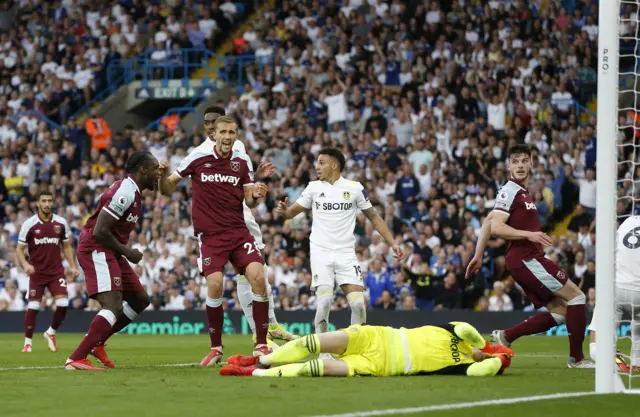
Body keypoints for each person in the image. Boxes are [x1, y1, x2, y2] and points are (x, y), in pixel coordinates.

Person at [158, 116, 273, 366]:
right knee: (215, 285)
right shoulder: (197, 157)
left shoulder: (242, 162)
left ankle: (262, 345)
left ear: (236, 135)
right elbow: (166, 189)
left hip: (238, 231)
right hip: (211, 236)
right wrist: (162, 175)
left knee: (258, 278)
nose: (228, 136)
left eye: (232, 132)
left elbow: (249, 200)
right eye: (223, 132)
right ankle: (216, 348)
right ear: (215, 134)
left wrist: (257, 193)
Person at [466, 144, 593, 368]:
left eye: (525, 160)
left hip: (525, 259)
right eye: (515, 161)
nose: (521, 165)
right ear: (508, 166)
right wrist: (529, 234)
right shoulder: (510, 190)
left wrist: (477, 255)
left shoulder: (522, 193)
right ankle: (577, 359)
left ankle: (506, 336)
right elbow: (496, 226)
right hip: (526, 258)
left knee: (562, 312)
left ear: (532, 163)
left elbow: (488, 221)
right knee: (577, 297)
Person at [276, 148, 404, 357]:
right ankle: (323, 353)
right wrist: (284, 211)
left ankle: (357, 350)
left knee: (358, 305)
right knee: (324, 301)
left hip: (345, 253)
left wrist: (393, 243)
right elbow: (292, 212)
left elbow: (374, 217)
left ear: (334, 165)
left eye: (321, 162)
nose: (317, 166)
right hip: (320, 252)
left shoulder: (354, 188)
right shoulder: (313, 188)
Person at [193, 106, 298, 344]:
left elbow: (245, 181)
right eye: (207, 123)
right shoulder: (200, 153)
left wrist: (258, 177)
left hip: (242, 214)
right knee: (239, 274)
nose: (210, 127)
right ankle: (257, 332)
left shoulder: (237, 145)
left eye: (215, 122)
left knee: (257, 269)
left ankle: (271, 325)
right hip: (221, 222)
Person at [65, 151, 159, 371]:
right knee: (113, 305)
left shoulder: (134, 190)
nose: (157, 175)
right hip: (97, 248)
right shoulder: (124, 192)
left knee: (139, 299)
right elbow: (99, 231)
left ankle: (98, 342)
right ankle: (76, 358)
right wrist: (127, 252)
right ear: (143, 170)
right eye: (154, 170)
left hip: (110, 250)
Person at [219, 322, 514, 378]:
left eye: (489, 355)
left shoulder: (464, 367)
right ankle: (265, 358)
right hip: (374, 336)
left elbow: (482, 370)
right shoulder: (458, 332)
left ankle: (253, 372)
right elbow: (466, 329)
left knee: (318, 368)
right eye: (489, 352)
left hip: (380, 366)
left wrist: (497, 361)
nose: (484, 356)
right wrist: (488, 346)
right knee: (314, 342)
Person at [16, 190, 79, 353]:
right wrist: (25, 264)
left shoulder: (61, 223)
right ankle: (28, 343)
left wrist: (73, 266)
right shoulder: (29, 224)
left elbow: (66, 246)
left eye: (49, 201)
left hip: (56, 271)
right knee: (34, 306)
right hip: (36, 272)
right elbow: (19, 249)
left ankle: (50, 332)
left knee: (64, 303)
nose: (47, 204)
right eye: (43, 201)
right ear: (38, 203)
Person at [587, 215, 640, 372]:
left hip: (616, 288)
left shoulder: (626, 222)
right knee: (637, 329)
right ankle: (637, 363)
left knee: (598, 337)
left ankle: (610, 356)